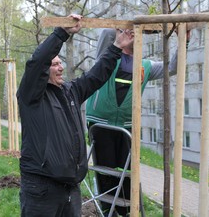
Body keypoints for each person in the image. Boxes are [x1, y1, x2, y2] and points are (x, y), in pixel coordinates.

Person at [17, 15, 135, 217]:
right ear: (43, 71)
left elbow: (96, 75)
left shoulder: (70, 91)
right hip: (42, 190)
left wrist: (116, 47)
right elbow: (36, 62)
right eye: (54, 64)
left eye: (60, 63)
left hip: (70, 188)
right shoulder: (32, 96)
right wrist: (61, 33)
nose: (61, 67)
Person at [85, 28, 190, 216]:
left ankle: (126, 211)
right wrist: (125, 28)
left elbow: (173, 68)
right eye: (131, 33)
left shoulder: (145, 66)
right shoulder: (107, 57)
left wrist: (184, 41)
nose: (135, 36)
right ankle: (109, 209)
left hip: (126, 125)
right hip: (101, 122)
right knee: (106, 170)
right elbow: (107, 32)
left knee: (128, 171)